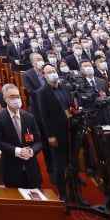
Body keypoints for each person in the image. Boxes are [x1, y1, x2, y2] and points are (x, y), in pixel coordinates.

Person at [32, 64, 73, 199]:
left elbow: (69, 105)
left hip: (69, 129)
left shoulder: (65, 88)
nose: (52, 73)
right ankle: (62, 193)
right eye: (48, 72)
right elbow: (44, 116)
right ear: (44, 75)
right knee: (59, 164)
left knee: (71, 161)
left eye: (53, 71)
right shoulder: (42, 92)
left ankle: (73, 190)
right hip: (55, 132)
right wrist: (50, 135)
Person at [0, 83, 44, 188]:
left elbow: (38, 141)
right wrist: (18, 151)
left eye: (18, 96)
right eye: (12, 97)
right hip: (11, 167)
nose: (16, 99)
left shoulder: (29, 117)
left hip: (31, 167)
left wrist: (31, 151)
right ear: (5, 99)